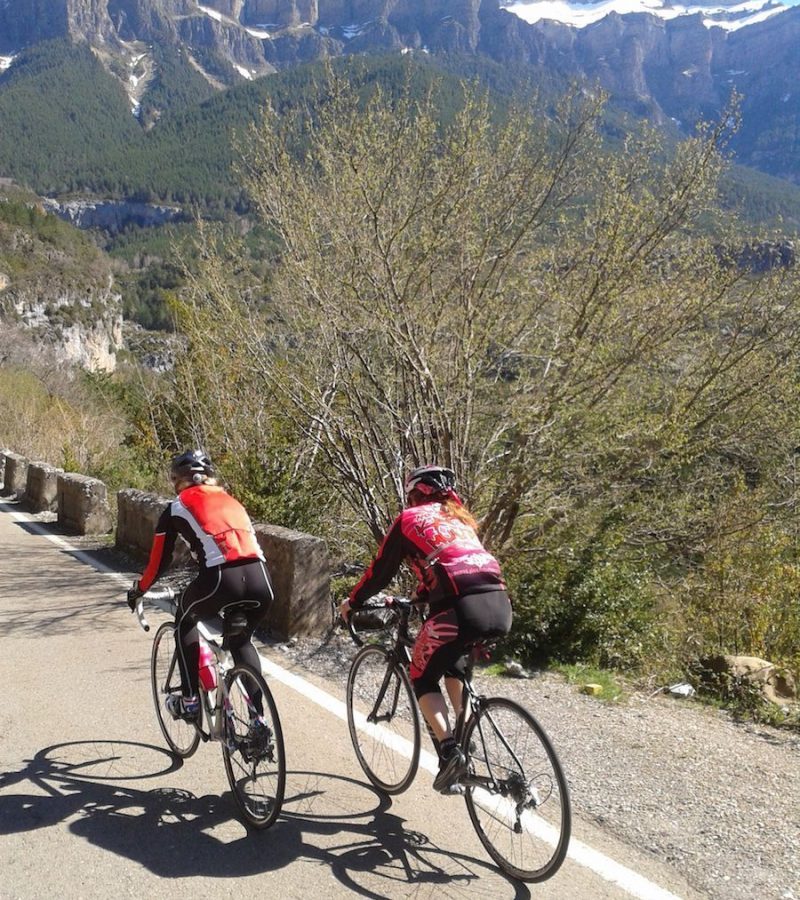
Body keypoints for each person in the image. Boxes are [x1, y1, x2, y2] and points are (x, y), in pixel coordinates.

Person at [339, 464, 512, 793]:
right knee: (451, 663)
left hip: (460, 609)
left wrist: (354, 601)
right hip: (499, 605)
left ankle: (449, 752)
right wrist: (418, 597)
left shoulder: (409, 520)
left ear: (418, 494)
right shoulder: (461, 520)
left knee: (421, 675)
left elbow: (380, 570)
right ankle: (463, 738)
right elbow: (456, 567)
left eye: (411, 495)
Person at [127, 449, 274, 724]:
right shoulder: (232, 500)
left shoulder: (176, 507)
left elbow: (159, 562)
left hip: (220, 579)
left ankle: (190, 699)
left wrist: (140, 589)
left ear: (177, 480)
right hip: (261, 580)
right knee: (241, 641)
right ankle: (259, 722)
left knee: (184, 618)